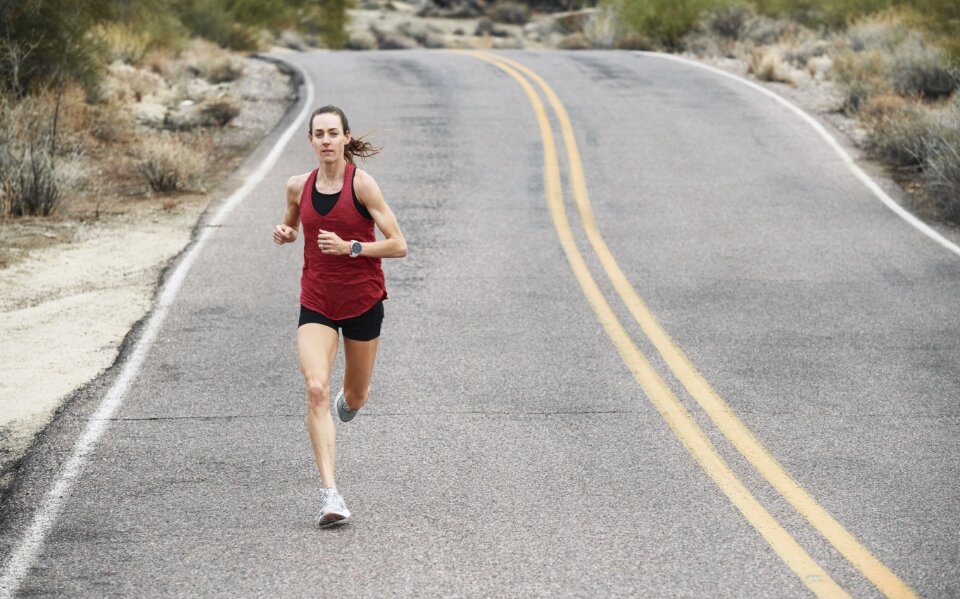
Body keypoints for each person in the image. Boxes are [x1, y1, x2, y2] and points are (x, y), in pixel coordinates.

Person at [273, 105, 407, 527]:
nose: (327, 140)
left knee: (355, 397)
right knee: (315, 389)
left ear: (346, 137)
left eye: (333, 133)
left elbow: (398, 244)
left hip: (363, 301)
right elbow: (292, 225)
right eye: (320, 134)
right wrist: (286, 233)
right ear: (311, 141)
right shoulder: (297, 186)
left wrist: (352, 247)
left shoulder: (362, 185)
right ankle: (331, 495)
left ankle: (349, 401)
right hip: (317, 301)